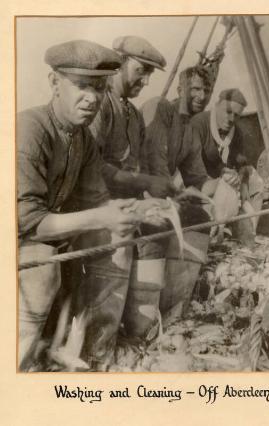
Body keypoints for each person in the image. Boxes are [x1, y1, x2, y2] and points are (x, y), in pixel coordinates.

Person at [17, 40, 141, 371]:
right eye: (82, 86)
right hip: (19, 241)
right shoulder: (30, 128)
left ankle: (94, 355)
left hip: (43, 235)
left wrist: (127, 213)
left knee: (117, 241)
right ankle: (19, 363)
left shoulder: (82, 138)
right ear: (54, 83)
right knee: (42, 265)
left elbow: (96, 200)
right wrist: (101, 216)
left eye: (99, 88)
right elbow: (27, 222)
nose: (92, 98)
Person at [140, 66, 219, 324]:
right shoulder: (161, 108)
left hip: (164, 196)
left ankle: (175, 308)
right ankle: (144, 315)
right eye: (195, 88)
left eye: (206, 90)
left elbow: (198, 177)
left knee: (200, 219)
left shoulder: (191, 130)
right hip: (138, 191)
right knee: (160, 227)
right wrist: (174, 196)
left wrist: (218, 196)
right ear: (180, 89)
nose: (202, 95)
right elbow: (155, 161)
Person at [90, 35, 176, 199]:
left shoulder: (136, 116)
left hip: (131, 205)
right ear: (120, 64)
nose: (146, 82)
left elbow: (144, 170)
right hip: (101, 205)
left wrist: (175, 193)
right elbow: (90, 166)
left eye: (150, 74)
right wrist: (145, 182)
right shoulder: (99, 104)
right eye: (141, 71)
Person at [190, 88, 264, 233]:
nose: (231, 119)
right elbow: (191, 167)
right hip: (197, 180)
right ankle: (216, 231)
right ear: (217, 106)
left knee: (255, 180)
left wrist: (241, 179)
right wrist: (223, 176)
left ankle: (248, 232)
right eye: (228, 112)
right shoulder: (198, 124)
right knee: (224, 184)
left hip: (222, 178)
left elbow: (242, 163)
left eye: (236, 115)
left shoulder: (236, 132)